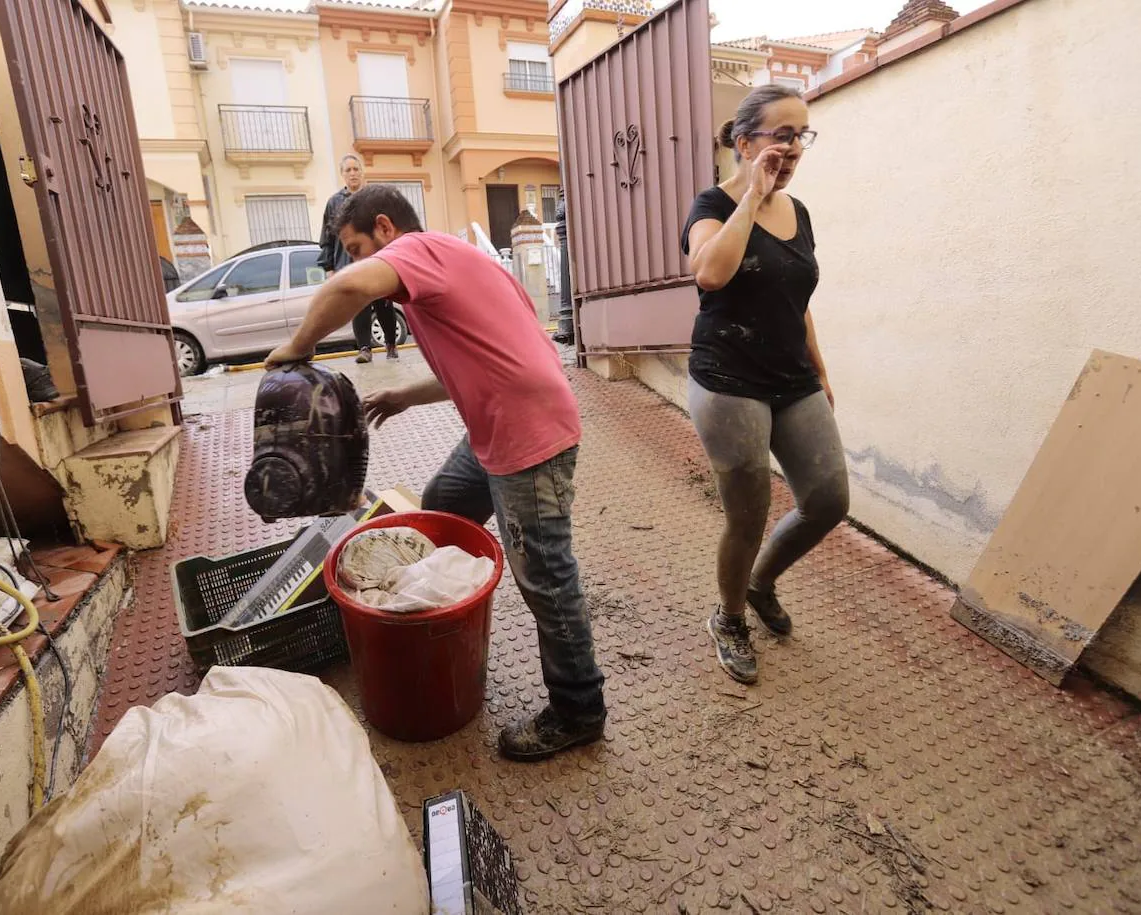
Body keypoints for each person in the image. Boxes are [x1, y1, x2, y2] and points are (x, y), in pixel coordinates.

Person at [266, 186, 607, 761]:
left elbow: (347, 288)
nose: (355, 261)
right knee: (442, 503)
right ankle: (439, 617)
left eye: (356, 246)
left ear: (384, 228)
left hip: (529, 437)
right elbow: (478, 360)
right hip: (499, 427)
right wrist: (403, 395)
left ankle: (579, 709)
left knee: (545, 576)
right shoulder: (451, 264)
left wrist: (295, 348)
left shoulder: (421, 250)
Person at [681, 85, 850, 685]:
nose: (794, 147)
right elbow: (711, 273)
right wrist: (751, 195)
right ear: (744, 141)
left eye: (801, 135)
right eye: (781, 134)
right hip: (729, 381)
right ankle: (728, 616)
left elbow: (796, 297)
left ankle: (759, 583)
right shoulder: (711, 204)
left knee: (829, 501)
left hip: (792, 378)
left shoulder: (798, 212)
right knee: (748, 516)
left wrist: (820, 370)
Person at [318, 154, 400, 363]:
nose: (353, 174)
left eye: (356, 169)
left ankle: (390, 344)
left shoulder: (376, 198)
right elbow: (327, 237)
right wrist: (329, 267)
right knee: (358, 306)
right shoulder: (334, 203)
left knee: (384, 304)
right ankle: (364, 349)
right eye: (348, 170)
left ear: (362, 172)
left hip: (377, 260)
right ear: (342, 175)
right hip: (348, 263)